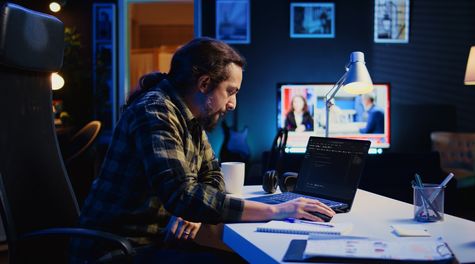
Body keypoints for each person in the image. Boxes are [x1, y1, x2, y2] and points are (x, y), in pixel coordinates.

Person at [71, 37, 334, 263]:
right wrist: (276, 210)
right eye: (230, 91)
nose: (232, 104)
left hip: (151, 242)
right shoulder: (154, 111)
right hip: (116, 250)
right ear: (205, 83)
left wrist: (195, 211)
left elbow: (212, 176)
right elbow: (182, 194)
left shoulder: (191, 119)